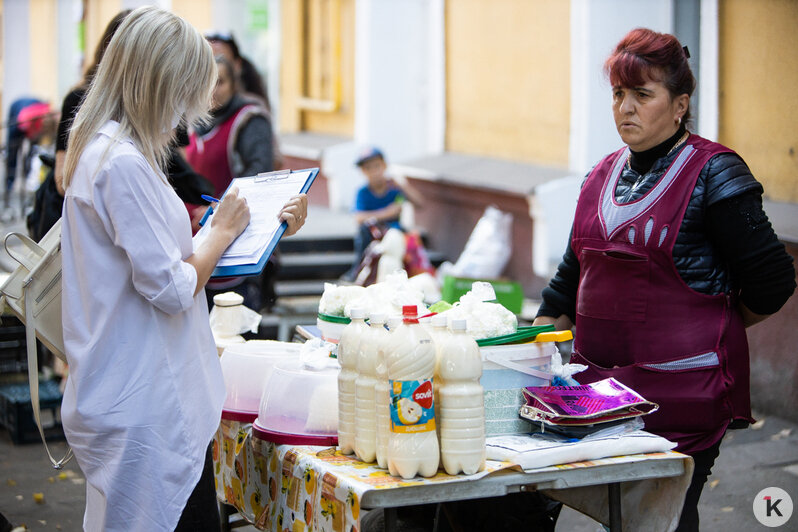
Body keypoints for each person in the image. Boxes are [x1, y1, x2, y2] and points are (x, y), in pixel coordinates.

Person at [532, 28, 795, 531]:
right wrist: (533, 359)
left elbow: (774, 282)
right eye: (618, 94)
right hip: (595, 396)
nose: (625, 108)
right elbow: (567, 282)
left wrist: (712, 324)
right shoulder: (599, 177)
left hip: (680, 399)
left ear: (679, 105)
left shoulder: (716, 176)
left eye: (642, 95)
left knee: (661, 520)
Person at [60, 7, 307, 530]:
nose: (187, 113)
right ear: (159, 84)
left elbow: (165, 260)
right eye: (186, 93)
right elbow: (171, 286)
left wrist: (258, 226)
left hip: (139, 393)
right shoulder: (122, 162)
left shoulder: (114, 151)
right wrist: (219, 233)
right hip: (146, 400)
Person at [186, 54, 279, 311]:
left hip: (235, 248)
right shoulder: (192, 123)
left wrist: (218, 210)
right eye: (207, 83)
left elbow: (258, 179)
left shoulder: (249, 120)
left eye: (220, 82)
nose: (212, 91)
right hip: (197, 249)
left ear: (234, 84)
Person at [341, 146, 424, 282]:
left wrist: (403, 185)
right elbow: (358, 217)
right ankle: (358, 269)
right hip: (372, 234)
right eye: (368, 168)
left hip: (394, 231)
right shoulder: (363, 192)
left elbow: (419, 203)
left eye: (376, 166)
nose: (373, 172)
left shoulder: (393, 189)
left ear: (384, 166)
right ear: (362, 171)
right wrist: (387, 213)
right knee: (363, 232)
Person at [205, 31, 271, 112]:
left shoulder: (252, 112)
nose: (216, 68)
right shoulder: (196, 109)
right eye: (210, 60)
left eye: (222, 59)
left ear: (237, 65)